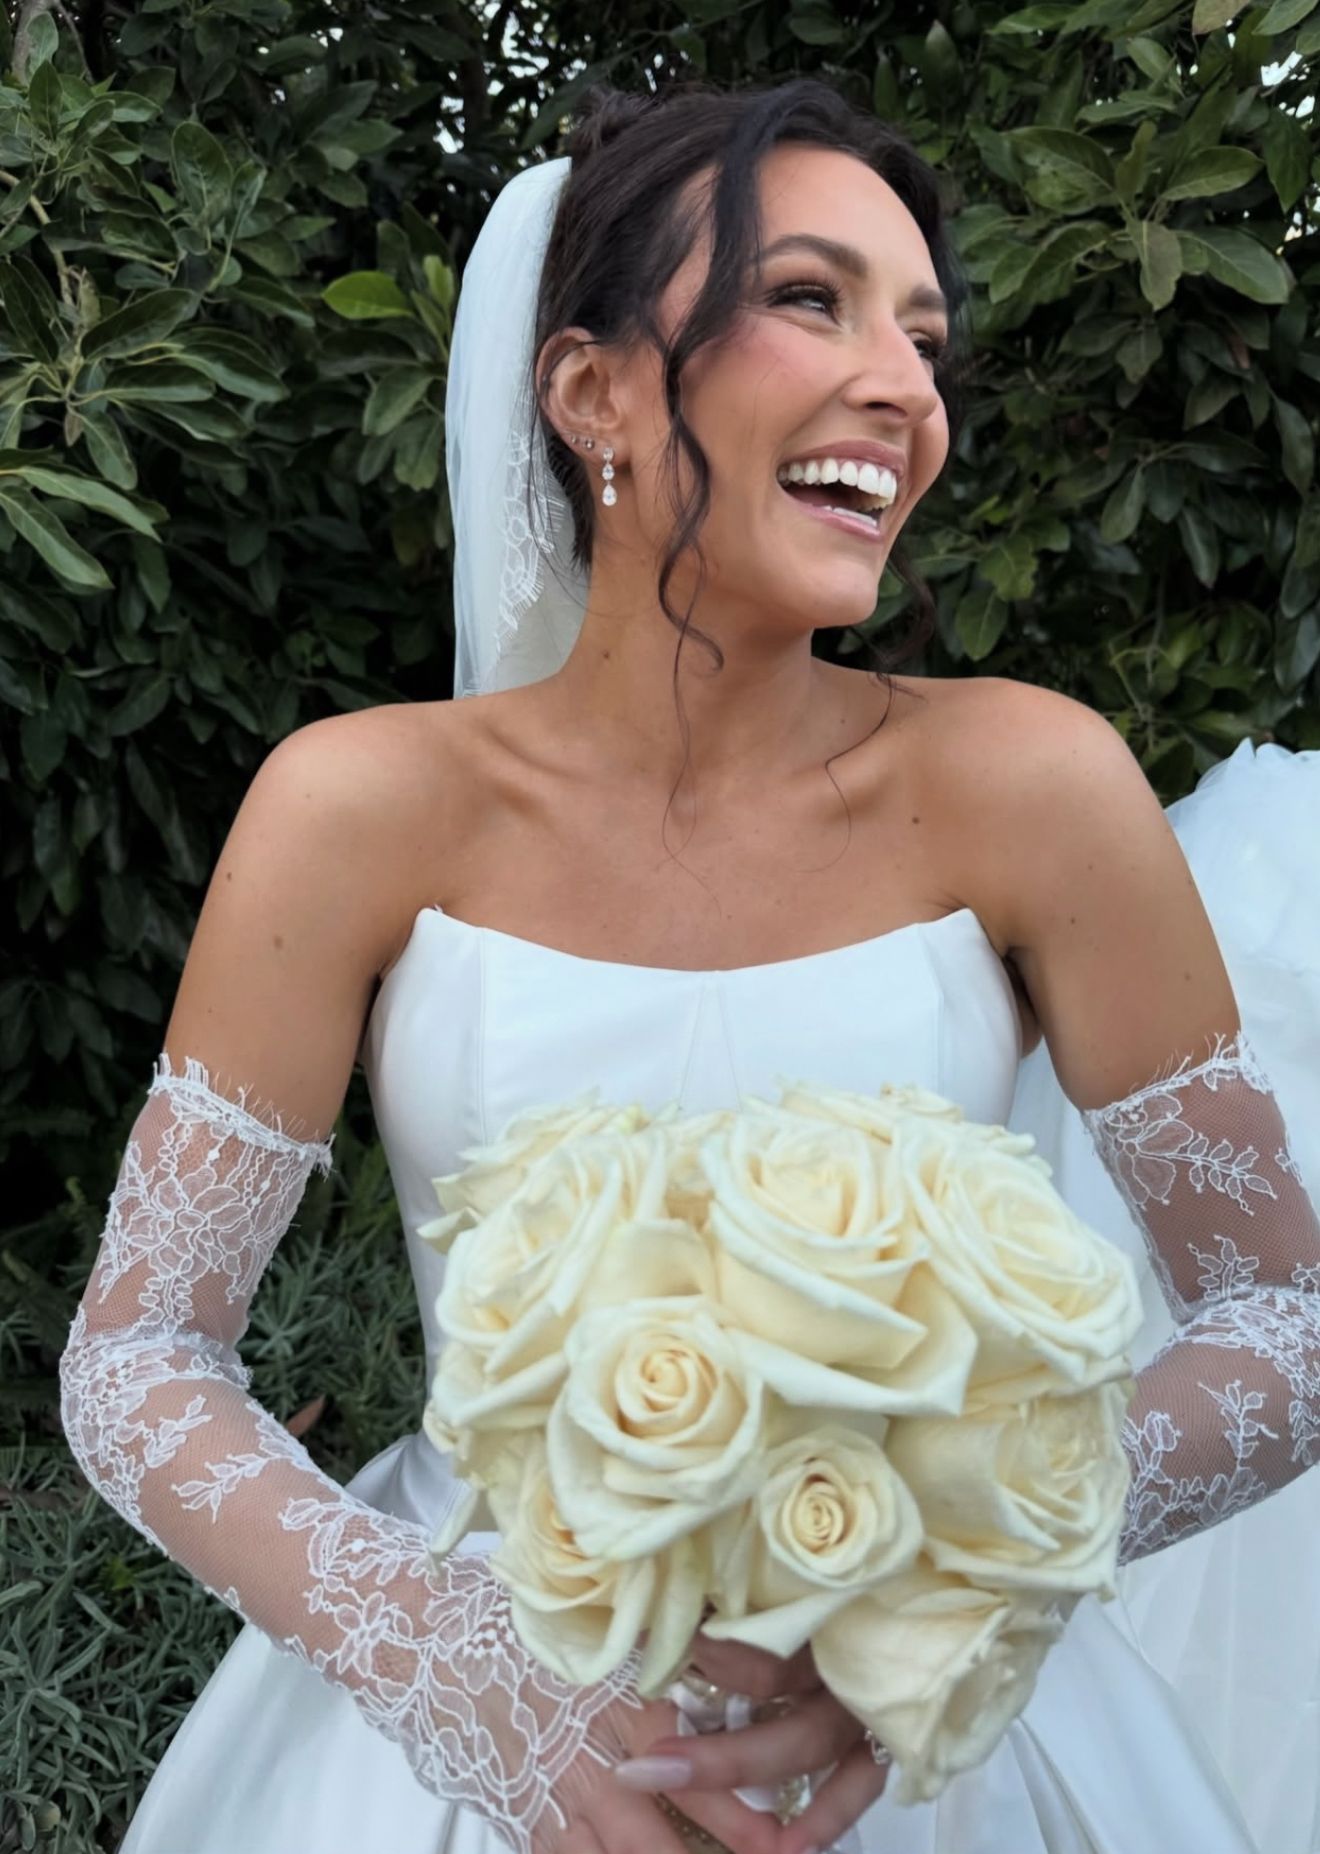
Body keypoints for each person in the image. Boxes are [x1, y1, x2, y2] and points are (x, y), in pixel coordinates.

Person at [57, 75, 1320, 1854]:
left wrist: (953, 1585)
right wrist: (450, 1666)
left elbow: (1289, 1318)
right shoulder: (355, 808)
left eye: (926, 335)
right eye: (812, 299)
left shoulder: (1037, 788)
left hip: (924, 1765)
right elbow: (137, 1358)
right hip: (476, 1731)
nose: (905, 385)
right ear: (592, 395)